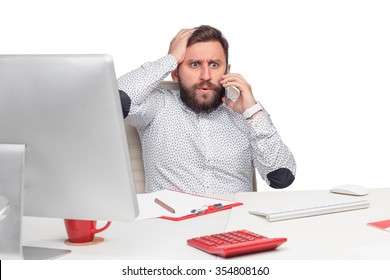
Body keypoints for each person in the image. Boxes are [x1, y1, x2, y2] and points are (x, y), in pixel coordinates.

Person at [118, 25, 296, 194]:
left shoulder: (248, 114)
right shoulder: (156, 105)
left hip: (234, 222)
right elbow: (115, 98)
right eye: (195, 64)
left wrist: (253, 113)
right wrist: (170, 59)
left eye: (214, 65)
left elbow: (281, 178)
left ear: (227, 71)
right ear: (175, 73)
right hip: (175, 223)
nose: (206, 76)